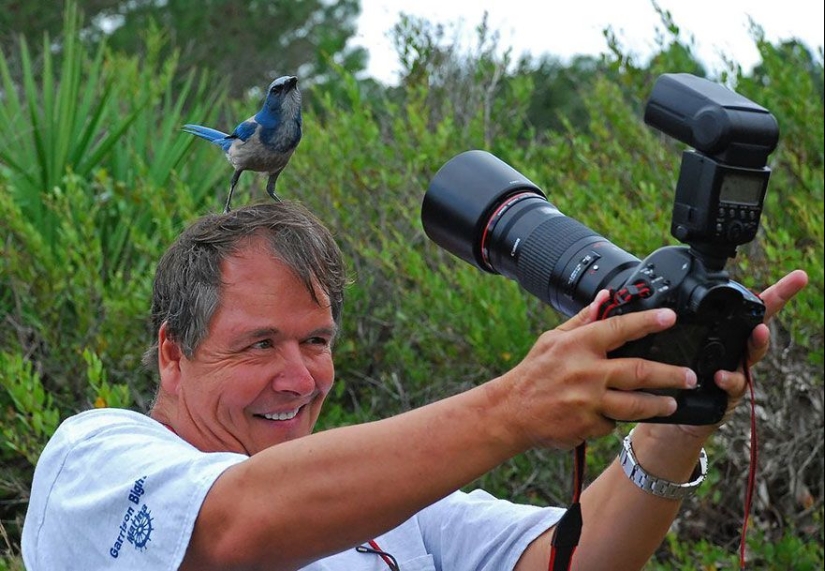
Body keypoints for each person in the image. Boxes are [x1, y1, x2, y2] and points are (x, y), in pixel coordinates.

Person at [21, 201, 808, 571]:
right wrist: (515, 405)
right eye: (258, 343)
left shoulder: (388, 503)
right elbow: (236, 525)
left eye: (316, 341)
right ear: (172, 352)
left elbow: (571, 559)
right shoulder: (94, 460)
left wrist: (680, 403)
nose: (297, 376)